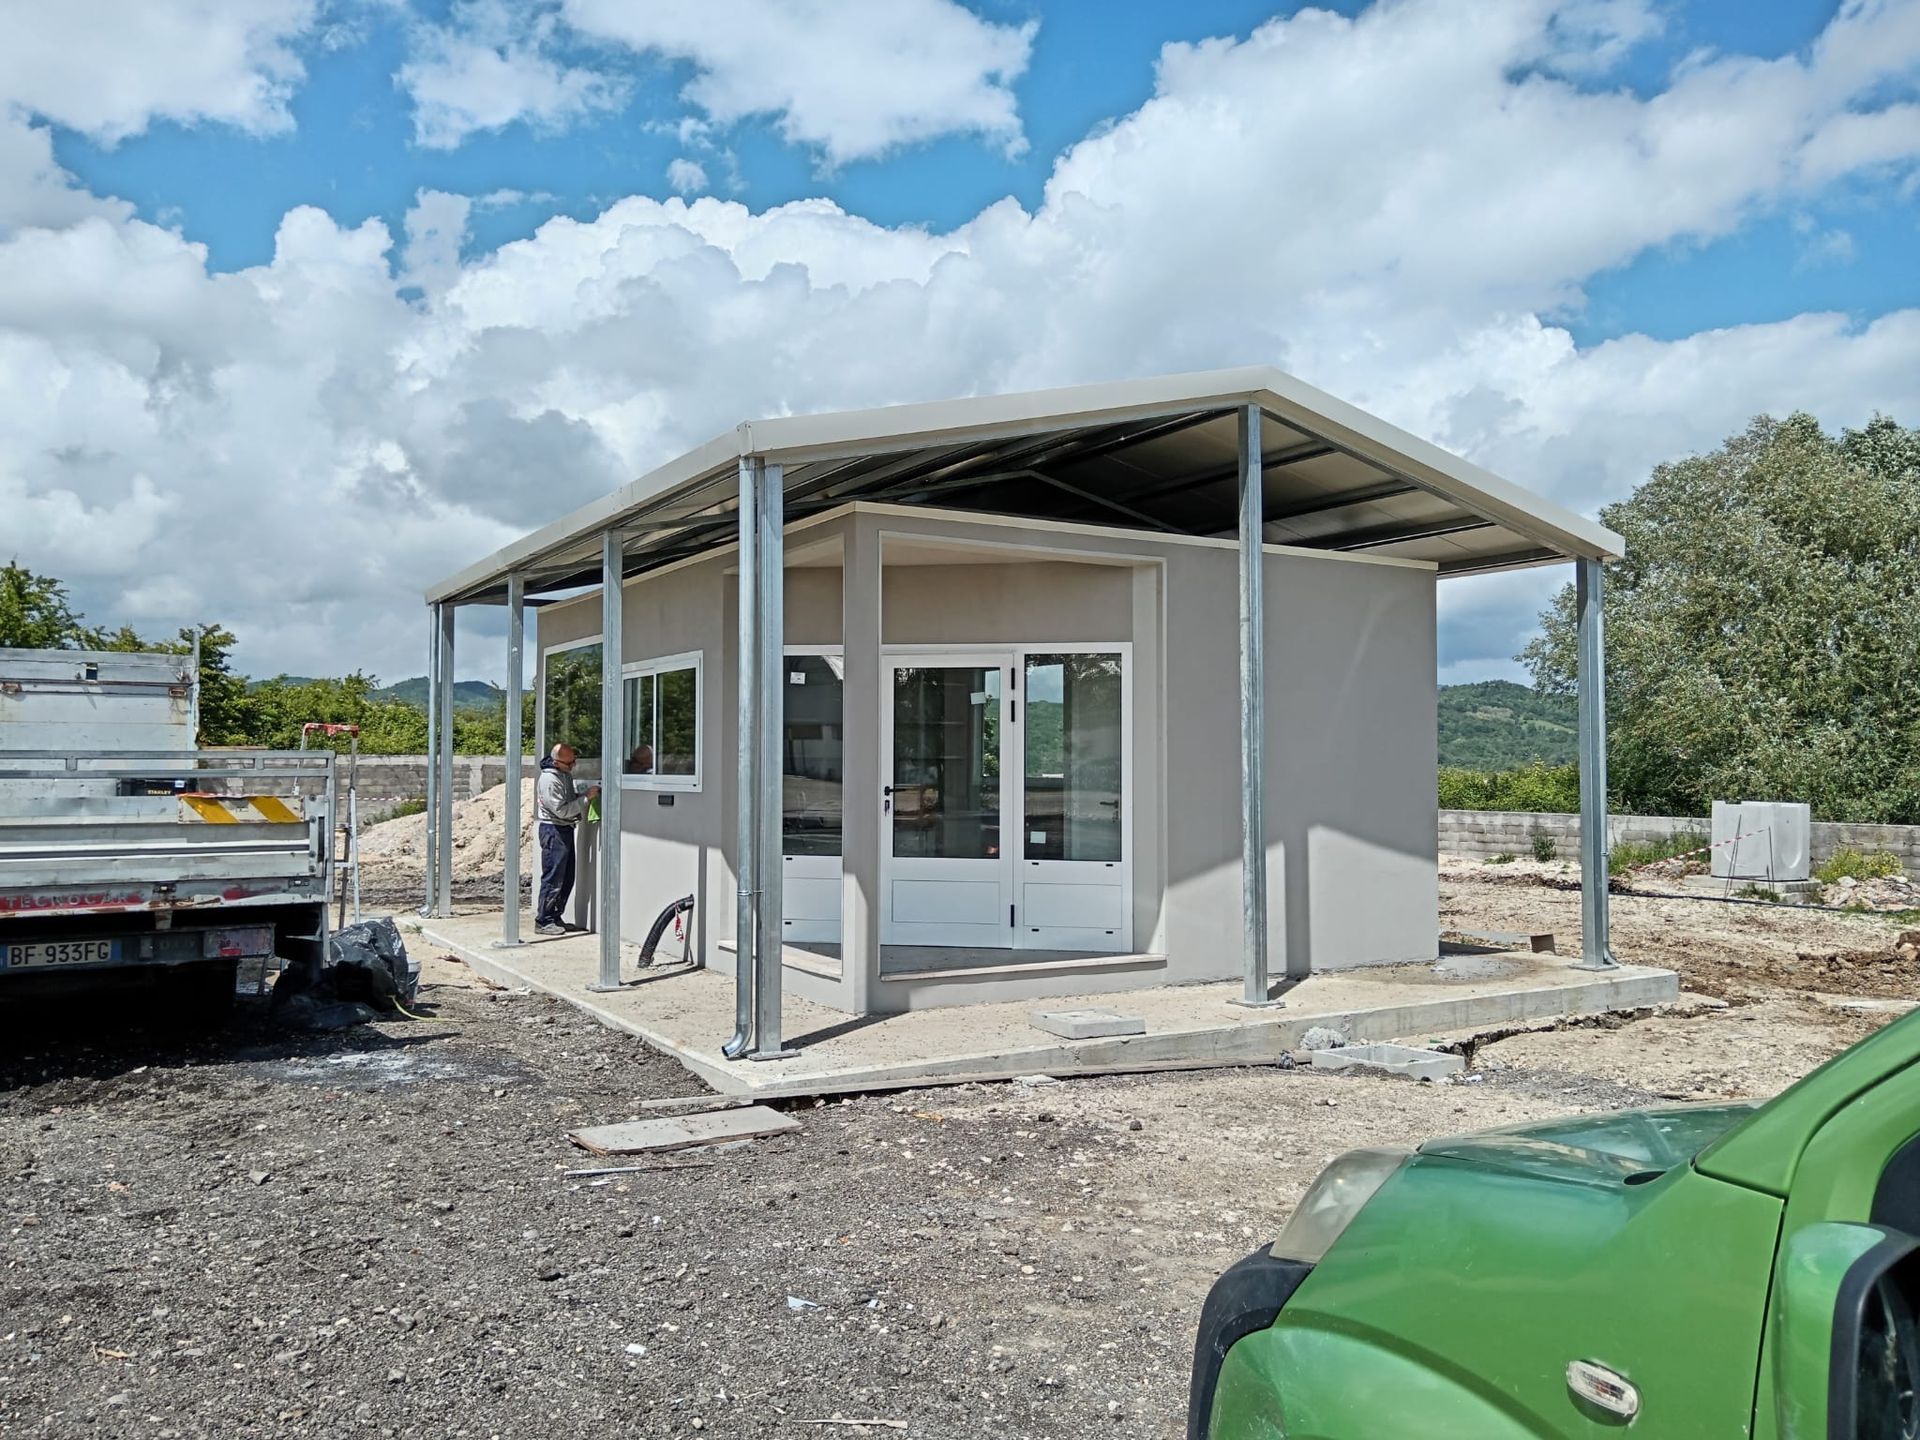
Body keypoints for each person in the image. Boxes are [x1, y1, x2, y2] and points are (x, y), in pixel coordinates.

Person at [535, 742, 598, 936]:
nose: (573, 766)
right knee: (554, 877)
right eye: (569, 763)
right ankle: (543, 920)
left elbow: (567, 801)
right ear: (556, 762)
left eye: (574, 761)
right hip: (554, 830)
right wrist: (586, 798)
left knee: (566, 877)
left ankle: (555, 917)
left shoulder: (563, 774)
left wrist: (581, 795)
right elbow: (561, 810)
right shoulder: (549, 780)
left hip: (564, 829)